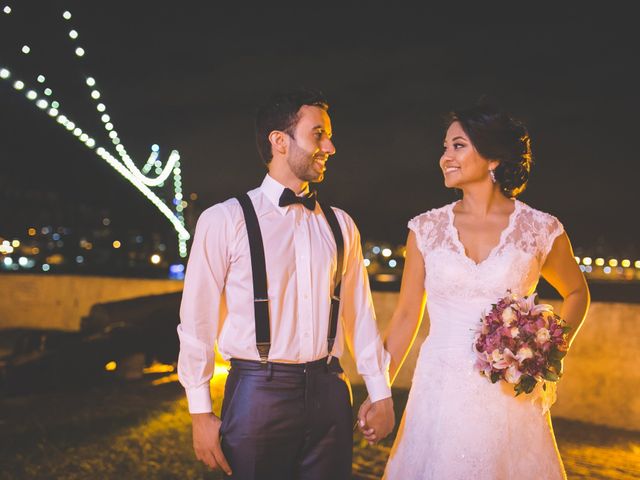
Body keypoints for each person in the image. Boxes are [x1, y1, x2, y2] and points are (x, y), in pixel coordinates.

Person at [359, 104, 590, 479]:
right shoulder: (425, 230)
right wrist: (378, 390)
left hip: (509, 398)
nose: (445, 157)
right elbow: (405, 318)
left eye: (458, 146)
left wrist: (548, 349)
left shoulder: (540, 229)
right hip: (439, 393)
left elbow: (577, 293)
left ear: (494, 157)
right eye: (445, 147)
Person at [177, 88, 395, 480]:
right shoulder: (225, 219)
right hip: (257, 393)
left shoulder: (341, 224)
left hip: (330, 391)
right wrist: (199, 412)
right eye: (318, 134)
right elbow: (197, 322)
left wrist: (381, 393)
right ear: (279, 140)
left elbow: (359, 315)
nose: (330, 146)